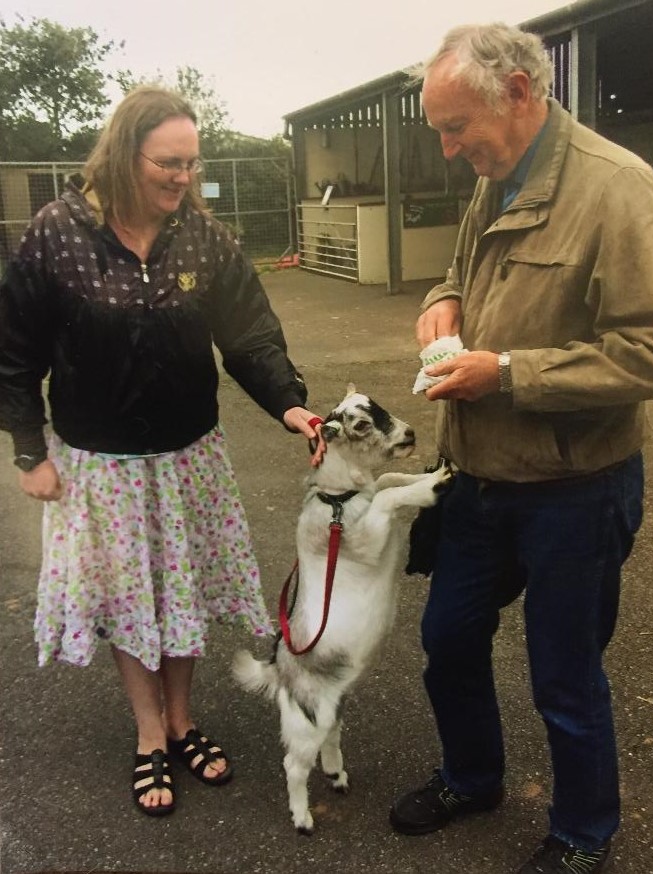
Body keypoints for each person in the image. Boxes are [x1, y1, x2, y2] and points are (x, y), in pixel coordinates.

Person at [389, 23, 653, 874]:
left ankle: (585, 835)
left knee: (563, 673)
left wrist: (508, 372)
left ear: (517, 93)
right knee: (448, 640)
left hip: (574, 488)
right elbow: (462, 271)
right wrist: (442, 303)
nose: (446, 149)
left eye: (453, 127)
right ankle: (472, 778)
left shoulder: (616, 188)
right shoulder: (499, 174)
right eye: (437, 129)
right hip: (478, 477)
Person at [0, 85, 325, 818]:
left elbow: (250, 336)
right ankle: (149, 732)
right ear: (124, 155)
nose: (183, 177)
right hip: (98, 464)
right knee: (128, 599)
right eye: (168, 163)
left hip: (188, 458)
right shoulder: (57, 234)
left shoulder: (203, 237)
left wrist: (291, 403)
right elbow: (14, 353)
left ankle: (181, 720)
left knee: (180, 594)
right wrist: (30, 451)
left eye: (192, 162)